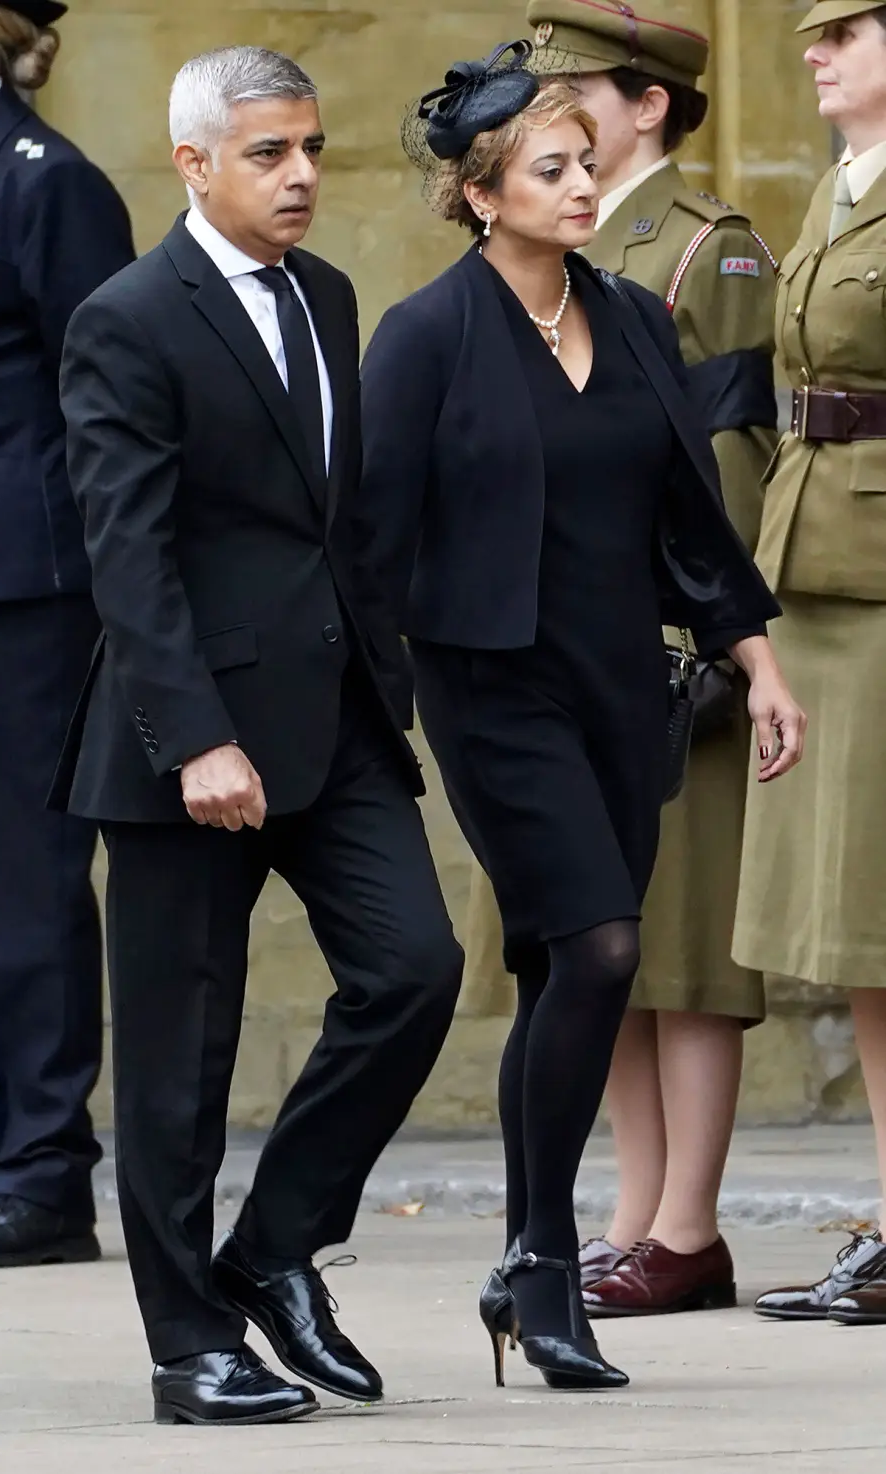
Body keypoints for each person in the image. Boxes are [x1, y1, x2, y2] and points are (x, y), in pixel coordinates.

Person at [359, 42, 805, 1391]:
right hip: (492, 689)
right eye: (550, 168)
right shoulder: (426, 336)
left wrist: (759, 659)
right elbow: (370, 543)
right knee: (603, 946)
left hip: (621, 684)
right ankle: (545, 1258)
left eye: (584, 160)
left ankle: (530, 1267)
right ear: (484, 192)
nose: (582, 180)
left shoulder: (633, 316)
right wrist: (358, 719)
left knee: (567, 968)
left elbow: (689, 518)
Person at [55, 45, 463, 1427]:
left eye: (311, 150)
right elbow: (131, 551)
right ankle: (191, 1349)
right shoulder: (126, 319)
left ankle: (275, 1244)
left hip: (334, 718)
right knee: (178, 1063)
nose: (300, 175)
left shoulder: (328, 293)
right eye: (269, 153)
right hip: (188, 741)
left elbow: (324, 519)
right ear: (193, 164)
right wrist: (196, 737)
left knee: (415, 967)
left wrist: (384, 672)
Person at [529, 0, 776, 1316]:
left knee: (684, 953)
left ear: (652, 105)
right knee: (601, 937)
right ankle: (631, 1211)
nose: (556, 120)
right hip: (573, 639)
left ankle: (688, 1225)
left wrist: (711, 635)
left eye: (584, 97)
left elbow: (735, 454)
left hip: (668, 648)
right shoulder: (552, 235)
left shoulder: (703, 249)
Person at [732, 0, 886, 1328]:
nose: (812, 47)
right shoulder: (846, 186)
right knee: (863, 933)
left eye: (844, 26)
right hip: (826, 571)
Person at [0, 0, 134, 1268]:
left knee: (26, 877)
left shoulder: (51, 182)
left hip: (25, 585)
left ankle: (41, 1170)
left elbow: (103, 403)